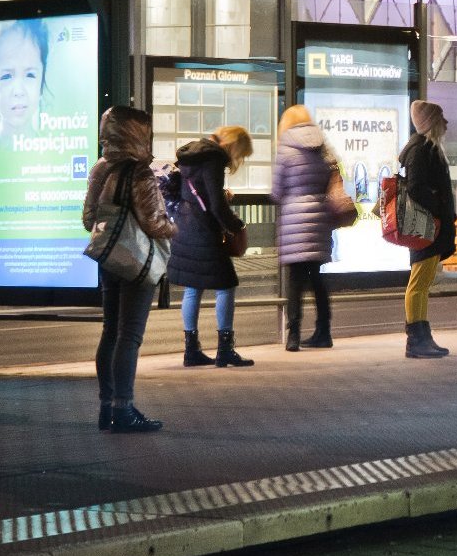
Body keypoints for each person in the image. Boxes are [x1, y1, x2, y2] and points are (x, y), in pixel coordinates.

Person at [81, 106, 177, 434]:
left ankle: (106, 407)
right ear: (138, 134)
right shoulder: (139, 172)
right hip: (136, 263)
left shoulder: (99, 168)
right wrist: (173, 227)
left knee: (110, 331)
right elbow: (153, 222)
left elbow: (88, 219)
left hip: (109, 258)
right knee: (130, 335)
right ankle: (124, 409)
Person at [164, 125, 254, 368]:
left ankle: (191, 350)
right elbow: (215, 205)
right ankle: (225, 349)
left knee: (193, 287)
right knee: (226, 285)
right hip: (204, 230)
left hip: (185, 227)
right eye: (240, 154)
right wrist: (236, 225)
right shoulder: (213, 158)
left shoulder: (191, 154)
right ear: (234, 145)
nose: (237, 160)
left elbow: (196, 193)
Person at [271, 105, 336, 352]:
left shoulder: (286, 150)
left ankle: (294, 335)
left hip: (294, 220)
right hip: (319, 218)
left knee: (295, 282)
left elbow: (277, 191)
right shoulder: (322, 147)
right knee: (318, 279)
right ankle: (324, 331)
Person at [397, 100, 454, 358]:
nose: (446, 123)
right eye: (441, 118)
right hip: (425, 226)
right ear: (431, 122)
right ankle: (416, 340)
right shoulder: (421, 150)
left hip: (430, 225)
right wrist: (439, 206)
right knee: (418, 283)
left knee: (422, 281)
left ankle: (422, 337)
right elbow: (416, 187)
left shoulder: (426, 148)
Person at [0, 20, 48, 151]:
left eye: (30, 75)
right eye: (6, 76)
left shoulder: (51, 148)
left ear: (42, 83)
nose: (19, 91)